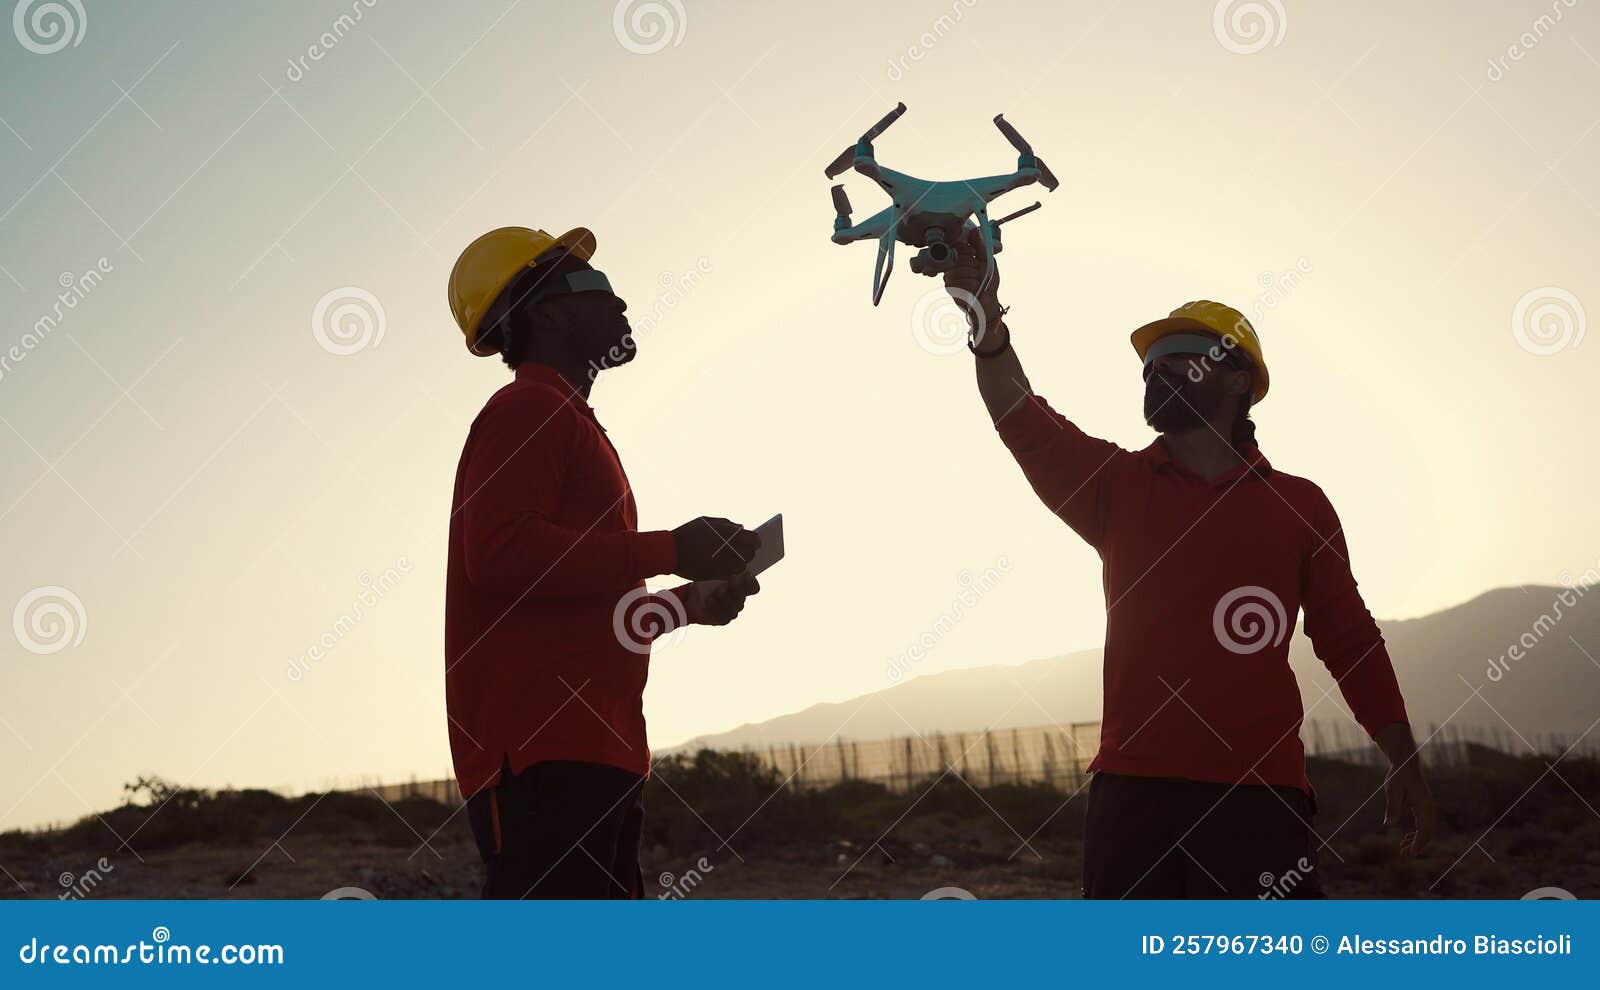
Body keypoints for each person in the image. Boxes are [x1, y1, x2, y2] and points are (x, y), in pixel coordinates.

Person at [944, 232, 1435, 898]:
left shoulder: (1300, 506)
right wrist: (982, 315)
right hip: (1131, 798)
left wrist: (1400, 754)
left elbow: (1349, 641)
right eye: (1150, 363)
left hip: (1259, 800)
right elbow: (1017, 412)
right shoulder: (1115, 486)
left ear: (1239, 380)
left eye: (1179, 358)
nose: (1157, 372)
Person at [444, 225, 761, 899]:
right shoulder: (525, 408)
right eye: (597, 289)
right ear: (548, 313)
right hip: (540, 758)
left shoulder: (573, 423)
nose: (620, 304)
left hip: (600, 753)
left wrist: (689, 604)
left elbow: (582, 600)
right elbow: (500, 558)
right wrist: (673, 547)